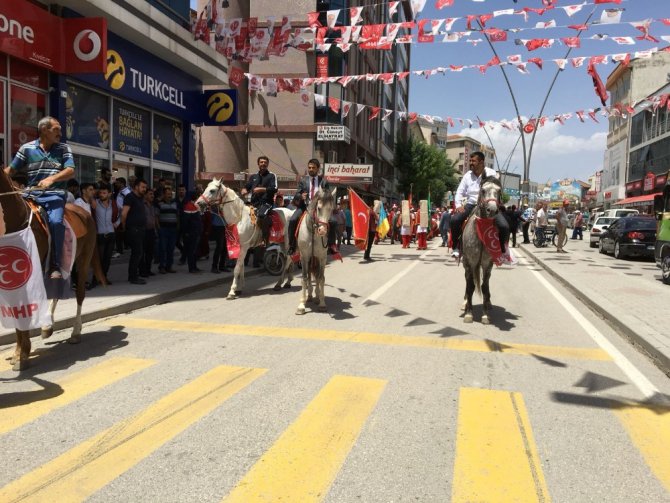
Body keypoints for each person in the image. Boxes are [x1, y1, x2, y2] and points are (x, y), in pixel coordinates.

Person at [6, 116, 75, 279]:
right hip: (31, 195)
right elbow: (11, 170)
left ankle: (54, 265)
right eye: (56, 129)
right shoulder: (27, 148)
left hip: (55, 196)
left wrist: (52, 179)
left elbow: (70, 170)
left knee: (56, 223)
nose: (60, 132)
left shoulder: (64, 148)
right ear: (44, 130)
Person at [449, 152, 510, 261]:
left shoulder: (491, 173)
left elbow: (497, 189)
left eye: (473, 161)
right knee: (455, 220)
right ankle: (456, 247)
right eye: (470, 161)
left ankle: (503, 251)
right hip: (471, 204)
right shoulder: (467, 175)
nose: (470, 163)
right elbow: (459, 192)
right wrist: (458, 205)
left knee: (504, 226)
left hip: (489, 205)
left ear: (481, 162)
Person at [287, 158, 338, 256]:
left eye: (313, 168)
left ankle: (332, 244)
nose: (311, 169)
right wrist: (301, 196)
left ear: (318, 169)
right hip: (304, 207)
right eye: (309, 167)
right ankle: (292, 245)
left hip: (320, 209)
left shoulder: (324, 182)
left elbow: (327, 195)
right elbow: (297, 194)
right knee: (293, 220)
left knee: (334, 221)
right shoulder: (303, 181)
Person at [241, 155, 277, 247]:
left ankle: (264, 239)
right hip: (253, 204)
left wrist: (262, 189)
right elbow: (247, 186)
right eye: (261, 162)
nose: (263, 164)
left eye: (265, 162)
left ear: (267, 164)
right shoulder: (253, 176)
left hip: (266, 203)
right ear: (258, 164)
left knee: (261, 215)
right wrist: (244, 190)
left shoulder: (272, 176)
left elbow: (275, 188)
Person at [121, 178, 148, 285]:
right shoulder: (130, 197)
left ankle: (134, 275)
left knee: (138, 253)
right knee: (137, 253)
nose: (144, 189)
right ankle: (133, 277)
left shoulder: (140, 198)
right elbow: (124, 214)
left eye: (145, 187)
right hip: (133, 229)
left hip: (140, 229)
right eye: (142, 187)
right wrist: (124, 228)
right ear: (136, 187)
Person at [91, 183, 117, 287]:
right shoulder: (95, 203)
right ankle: (95, 279)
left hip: (111, 234)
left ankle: (104, 277)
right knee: (99, 259)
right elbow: (90, 196)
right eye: (100, 192)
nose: (101, 194)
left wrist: (117, 223)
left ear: (109, 194)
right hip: (100, 235)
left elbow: (121, 213)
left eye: (104, 193)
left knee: (107, 259)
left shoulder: (113, 204)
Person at [157, 185, 179, 274]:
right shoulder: (160, 204)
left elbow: (178, 216)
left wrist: (178, 226)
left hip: (173, 230)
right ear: (164, 194)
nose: (170, 195)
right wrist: (158, 228)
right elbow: (156, 217)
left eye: (171, 194)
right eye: (168, 194)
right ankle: (162, 266)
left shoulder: (175, 204)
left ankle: (169, 266)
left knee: (171, 249)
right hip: (163, 229)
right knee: (163, 249)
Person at [181, 192, 204, 273]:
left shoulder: (195, 206)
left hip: (196, 232)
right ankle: (191, 268)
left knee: (194, 250)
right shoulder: (189, 206)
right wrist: (186, 232)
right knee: (191, 250)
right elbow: (185, 221)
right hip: (191, 233)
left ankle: (194, 267)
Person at [140, 188, 159, 277]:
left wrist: (155, 230)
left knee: (150, 252)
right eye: (150, 194)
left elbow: (154, 219)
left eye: (153, 194)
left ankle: (148, 269)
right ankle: (142, 271)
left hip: (151, 231)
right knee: (142, 252)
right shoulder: (141, 205)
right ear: (145, 195)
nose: (152, 196)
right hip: (143, 231)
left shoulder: (152, 206)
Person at [210, 204, 230, 273]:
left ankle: (222, 265)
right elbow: (215, 210)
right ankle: (214, 267)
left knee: (225, 247)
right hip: (218, 226)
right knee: (219, 247)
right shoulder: (215, 203)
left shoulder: (225, 203)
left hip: (225, 225)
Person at [113, 177, 131, 257]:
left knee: (120, 233)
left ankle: (120, 250)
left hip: (123, 215)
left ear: (122, 183)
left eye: (117, 183)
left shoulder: (126, 192)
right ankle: (120, 249)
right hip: (119, 215)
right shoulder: (120, 192)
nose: (116, 184)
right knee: (119, 233)